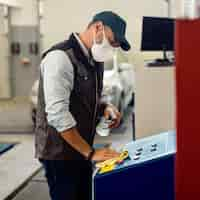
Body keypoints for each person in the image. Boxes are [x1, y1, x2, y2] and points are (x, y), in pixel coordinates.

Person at [35, 11, 131, 200]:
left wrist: (105, 107)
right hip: (59, 154)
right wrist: (91, 153)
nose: (112, 49)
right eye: (112, 42)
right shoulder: (60, 58)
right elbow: (58, 115)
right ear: (98, 28)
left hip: (81, 149)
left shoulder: (95, 60)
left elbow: (87, 96)